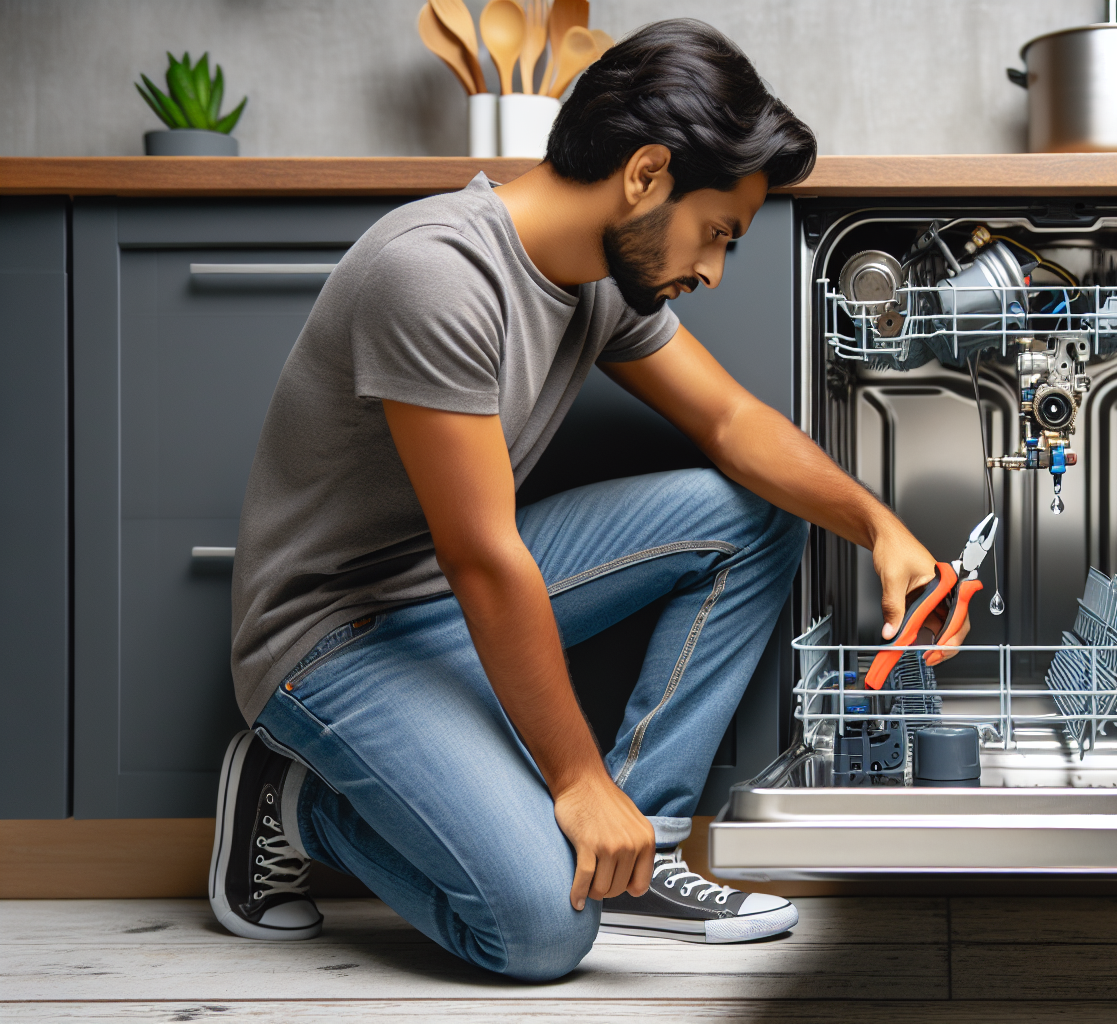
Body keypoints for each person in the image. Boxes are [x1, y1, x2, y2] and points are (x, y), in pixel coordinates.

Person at [208, 19, 963, 982]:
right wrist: (576, 780)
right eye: (717, 232)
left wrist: (877, 526)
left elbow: (732, 422)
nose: (712, 270)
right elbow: (486, 558)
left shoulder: (602, 279)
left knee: (754, 511)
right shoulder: (436, 273)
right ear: (647, 175)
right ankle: (293, 802)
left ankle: (637, 850)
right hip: (333, 640)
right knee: (539, 936)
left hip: (446, 590)